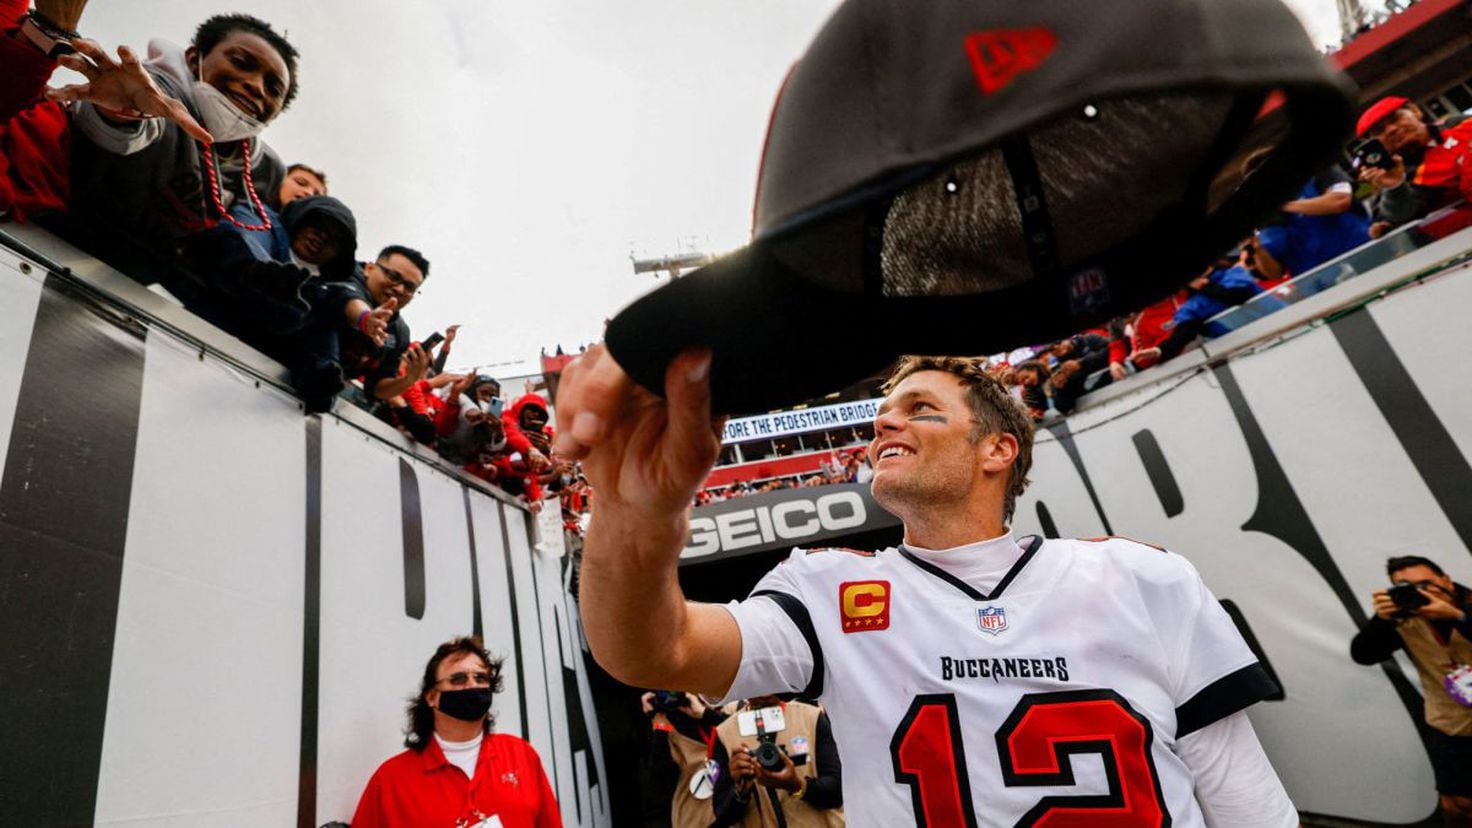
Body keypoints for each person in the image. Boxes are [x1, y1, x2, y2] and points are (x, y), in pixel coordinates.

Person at [556, 348, 1294, 825]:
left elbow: (1239, 789)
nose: (885, 425)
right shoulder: (828, 590)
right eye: (881, 416)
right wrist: (631, 512)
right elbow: (653, 651)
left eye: (922, 410)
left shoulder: (1141, 576)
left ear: (998, 449)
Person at [49, 13, 297, 279]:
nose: (256, 86)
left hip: (134, 286)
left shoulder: (266, 172)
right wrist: (121, 113)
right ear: (193, 58)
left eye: (274, 88)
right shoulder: (156, 93)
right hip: (47, 246)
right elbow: (126, 128)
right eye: (240, 62)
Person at [352, 636, 561, 828]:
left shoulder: (521, 755)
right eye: (458, 679)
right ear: (432, 697)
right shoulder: (390, 781)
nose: (472, 685)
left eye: (480, 678)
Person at [1351, 556, 1472, 826]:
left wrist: (1457, 617)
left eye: (1427, 584)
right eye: (1407, 586)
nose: (1421, 592)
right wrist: (1382, 621)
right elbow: (1363, 654)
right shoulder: (1403, 617)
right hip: (1450, 723)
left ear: (1446, 581)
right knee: (1457, 804)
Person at [711, 695, 843, 826]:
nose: (765, 693)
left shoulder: (811, 718)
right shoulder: (726, 734)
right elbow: (721, 814)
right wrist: (741, 790)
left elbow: (837, 791)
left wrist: (797, 785)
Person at [1355, 97, 1472, 236]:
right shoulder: (1406, 176)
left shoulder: (1462, 123)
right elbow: (1400, 216)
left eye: (1395, 119)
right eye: (1380, 131)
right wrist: (1394, 186)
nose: (1391, 129)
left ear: (1415, 111)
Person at [640, 690, 730, 828]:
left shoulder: (730, 709)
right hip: (694, 818)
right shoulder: (666, 727)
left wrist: (704, 714)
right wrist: (660, 728)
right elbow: (660, 783)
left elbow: (742, 736)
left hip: (734, 815)